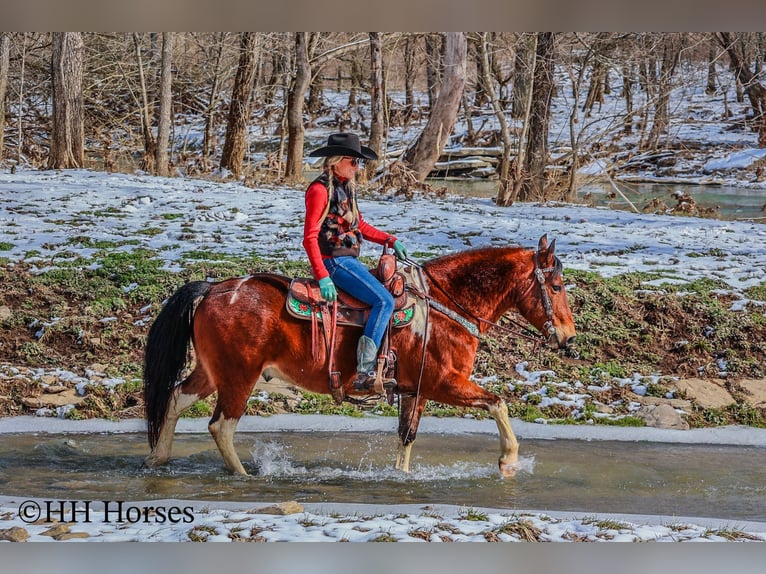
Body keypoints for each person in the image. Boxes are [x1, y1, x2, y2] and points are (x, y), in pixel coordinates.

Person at [302, 133, 408, 389]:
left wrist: (390, 240)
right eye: (353, 161)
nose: (357, 167)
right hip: (335, 262)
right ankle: (365, 370)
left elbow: (360, 226)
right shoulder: (319, 191)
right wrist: (323, 275)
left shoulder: (346, 188)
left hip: (347, 259)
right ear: (336, 161)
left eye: (359, 162)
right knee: (384, 300)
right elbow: (310, 237)